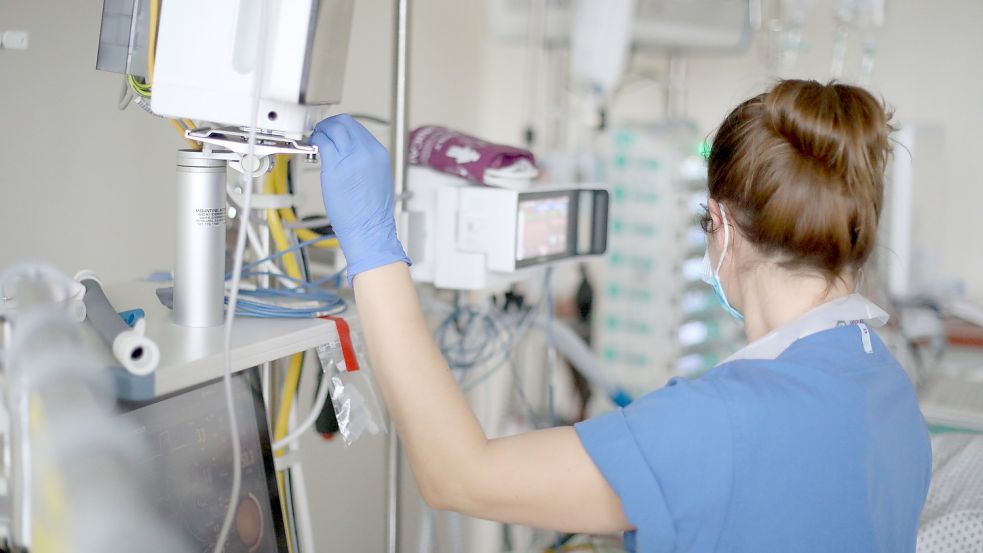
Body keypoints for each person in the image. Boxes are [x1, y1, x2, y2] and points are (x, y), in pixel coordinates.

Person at [310, 79, 931, 552]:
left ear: (717, 225)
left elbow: (458, 476)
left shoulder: (721, 419)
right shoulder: (886, 385)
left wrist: (372, 244)